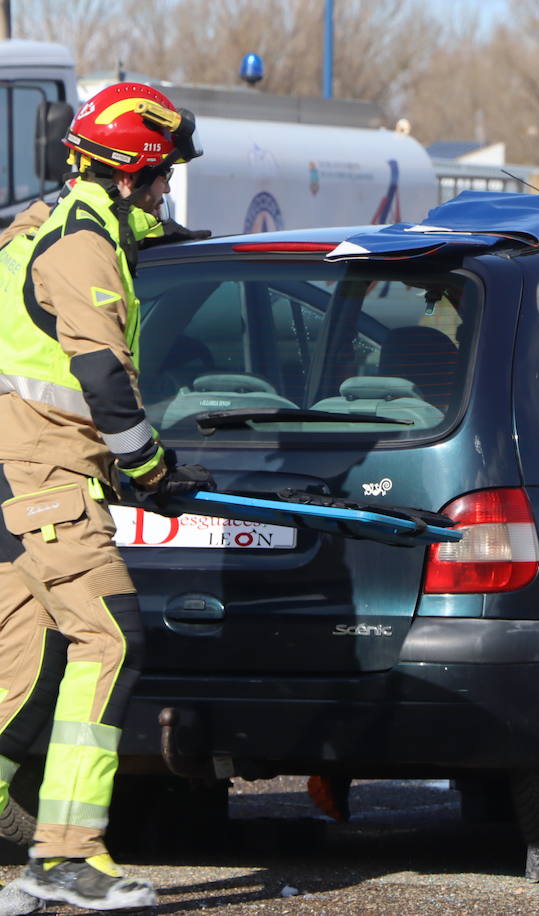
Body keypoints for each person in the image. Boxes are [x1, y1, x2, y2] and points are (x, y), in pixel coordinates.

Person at [0, 82, 213, 912]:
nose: (165, 192)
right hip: (50, 480)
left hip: (13, 487)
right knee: (112, 641)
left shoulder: (41, 224)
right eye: (160, 177)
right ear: (129, 173)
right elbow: (102, 380)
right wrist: (151, 470)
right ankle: (65, 858)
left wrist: (185, 239)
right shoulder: (84, 246)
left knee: (16, 674)